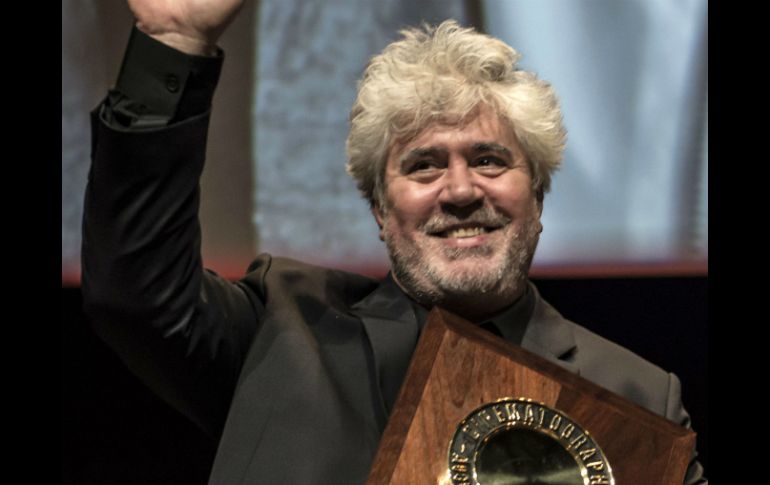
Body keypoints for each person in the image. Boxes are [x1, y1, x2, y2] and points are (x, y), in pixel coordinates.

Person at [81, 1, 707, 484]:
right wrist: (173, 44)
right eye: (424, 166)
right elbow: (135, 293)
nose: (461, 191)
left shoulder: (640, 401)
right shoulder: (281, 331)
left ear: (538, 195)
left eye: (489, 160)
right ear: (379, 209)